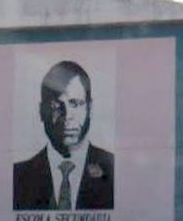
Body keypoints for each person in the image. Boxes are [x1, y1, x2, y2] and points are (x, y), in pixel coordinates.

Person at [13, 60, 114, 210]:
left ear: (90, 109)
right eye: (56, 106)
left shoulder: (115, 171)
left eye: (75, 104)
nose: (67, 117)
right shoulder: (17, 178)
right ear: (42, 111)